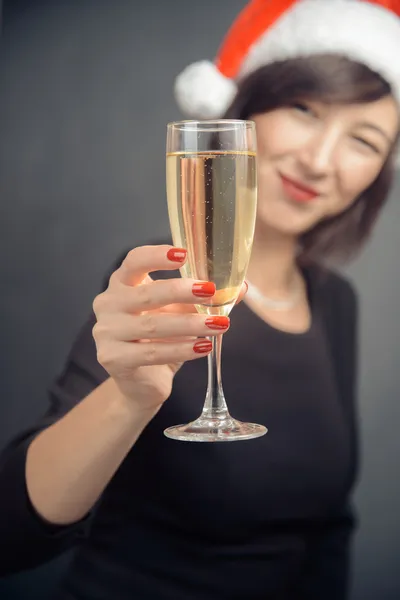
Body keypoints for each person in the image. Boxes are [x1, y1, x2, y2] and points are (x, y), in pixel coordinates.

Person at [1, 0, 400, 598]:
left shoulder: (336, 303)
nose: (320, 162)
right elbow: (12, 535)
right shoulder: (157, 290)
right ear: (246, 108)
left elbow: (326, 532)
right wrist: (128, 399)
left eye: (363, 141)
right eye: (303, 109)